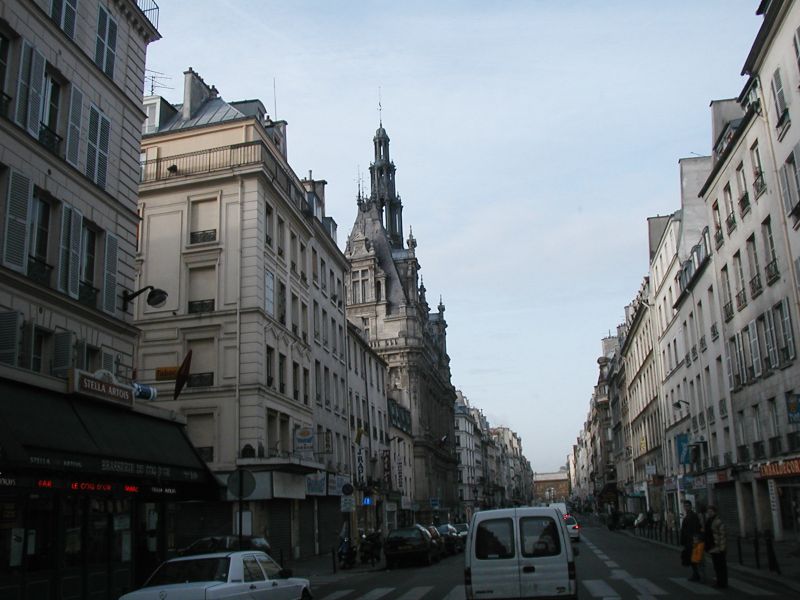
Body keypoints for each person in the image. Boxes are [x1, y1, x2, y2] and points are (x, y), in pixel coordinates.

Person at [704, 505, 727, 588]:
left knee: (721, 566)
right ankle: (719, 581)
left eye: (711, 512)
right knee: (716, 565)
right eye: (708, 512)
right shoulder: (709, 520)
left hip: (718, 546)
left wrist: (722, 548)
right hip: (712, 546)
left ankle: (722, 582)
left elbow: (722, 535)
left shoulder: (718, 521)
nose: (709, 513)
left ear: (715, 512)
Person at [680, 500, 703, 582]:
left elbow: (696, 529)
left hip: (692, 541)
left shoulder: (693, 516)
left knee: (694, 559)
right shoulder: (688, 516)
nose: (686, 507)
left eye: (687, 506)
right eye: (685, 506)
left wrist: (695, 540)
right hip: (688, 541)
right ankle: (696, 574)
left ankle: (697, 575)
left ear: (690, 506)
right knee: (692, 559)